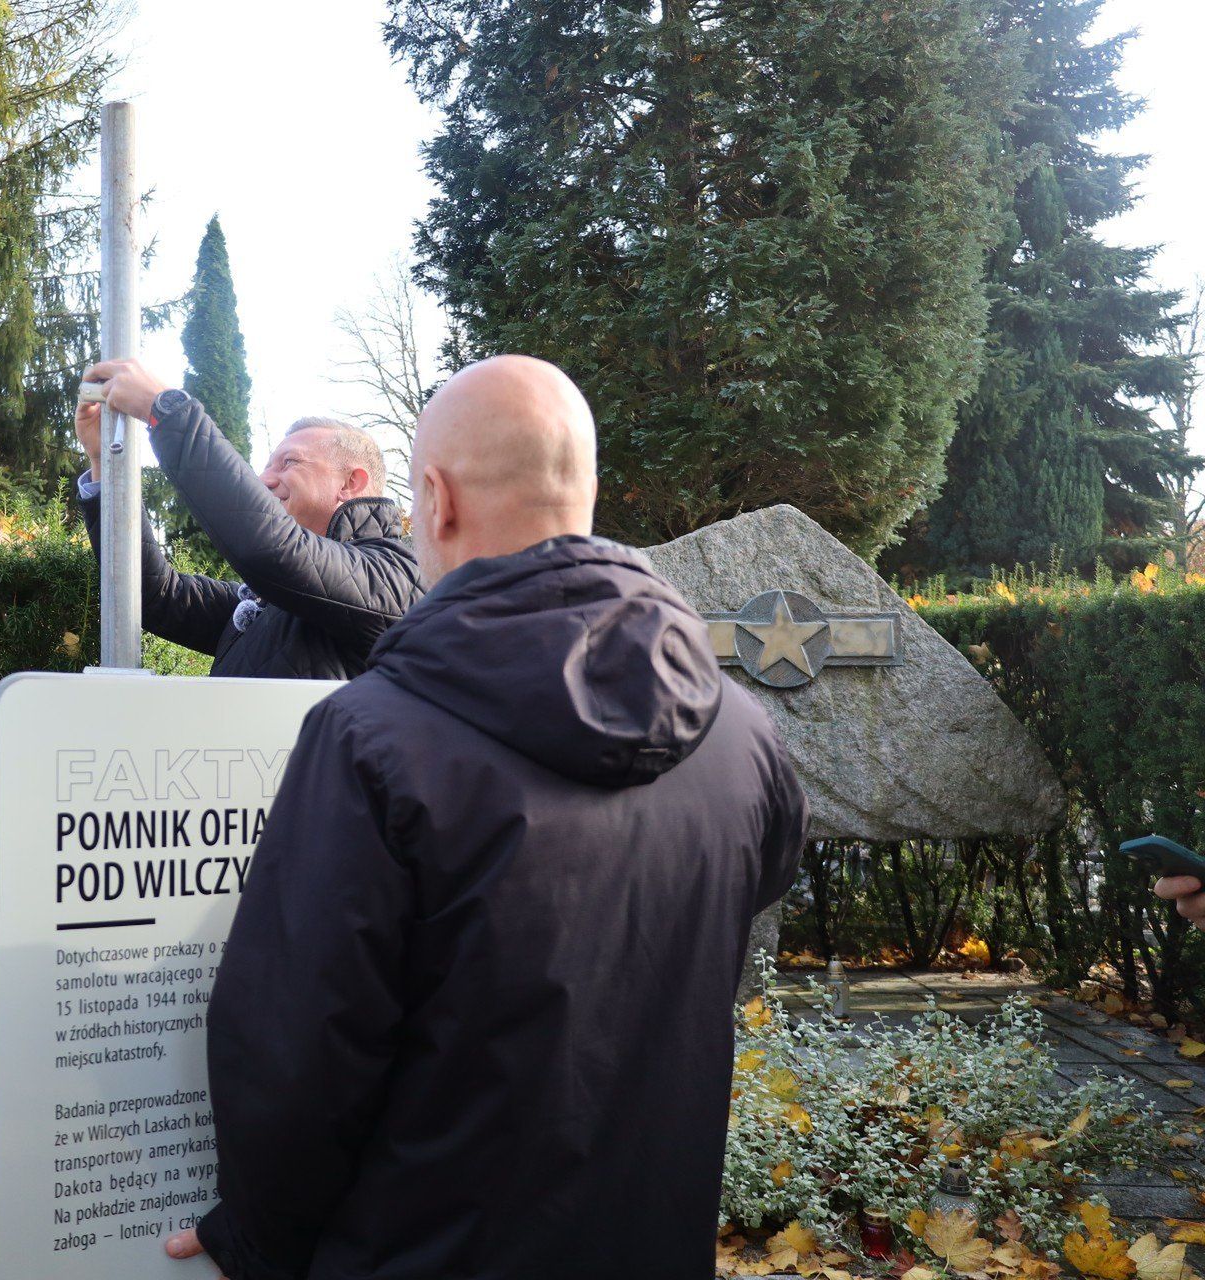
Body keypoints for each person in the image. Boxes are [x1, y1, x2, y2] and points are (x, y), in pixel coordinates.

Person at [165, 356, 810, 1280]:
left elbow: (296, 1048)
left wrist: (254, 1237)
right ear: (580, 493)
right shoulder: (746, 736)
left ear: (434, 498)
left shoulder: (369, 738)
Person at [77, 358, 421, 679]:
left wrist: (164, 409)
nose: (264, 480)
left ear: (351, 483)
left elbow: (273, 550)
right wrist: (104, 466)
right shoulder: (266, 605)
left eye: (290, 463)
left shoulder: (396, 576)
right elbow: (157, 596)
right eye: (266, 467)